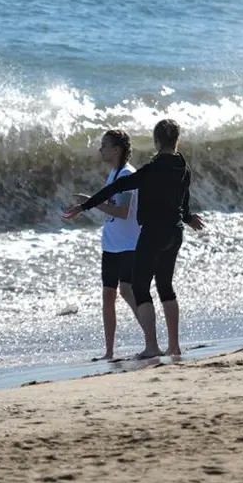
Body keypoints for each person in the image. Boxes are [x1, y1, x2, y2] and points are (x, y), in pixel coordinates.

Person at [63, 118, 206, 360]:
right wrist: (190, 218)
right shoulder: (183, 168)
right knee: (165, 287)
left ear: (156, 140)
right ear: (176, 140)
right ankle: (174, 346)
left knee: (139, 287)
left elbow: (116, 189)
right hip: (175, 231)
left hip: (153, 233)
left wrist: (85, 206)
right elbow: (184, 201)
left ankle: (152, 346)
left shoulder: (150, 170)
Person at [91, 129, 140, 361]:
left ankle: (152, 340)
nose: (101, 149)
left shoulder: (127, 176)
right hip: (111, 245)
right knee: (108, 295)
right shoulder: (113, 174)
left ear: (117, 150)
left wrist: (93, 203)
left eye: (104, 145)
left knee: (127, 291)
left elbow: (123, 211)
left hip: (129, 244)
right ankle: (109, 352)